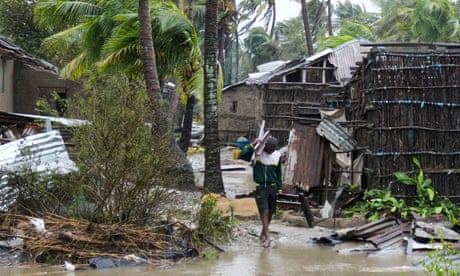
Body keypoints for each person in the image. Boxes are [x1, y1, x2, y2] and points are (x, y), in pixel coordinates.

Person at [238, 136, 282, 248]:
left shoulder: (277, 156)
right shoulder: (257, 154)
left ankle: (263, 233)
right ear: (264, 147)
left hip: (272, 187)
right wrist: (253, 145)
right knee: (264, 211)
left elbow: (279, 173)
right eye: (268, 149)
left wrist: (279, 188)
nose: (270, 152)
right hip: (261, 187)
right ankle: (268, 237)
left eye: (272, 150)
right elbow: (242, 155)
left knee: (271, 212)